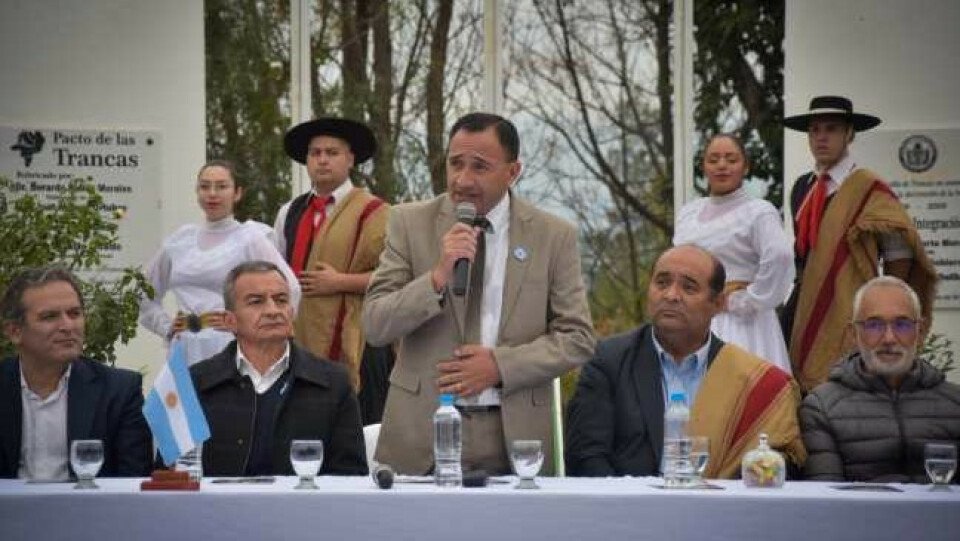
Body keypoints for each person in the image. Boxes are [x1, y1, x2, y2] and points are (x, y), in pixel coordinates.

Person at [362, 112, 595, 475]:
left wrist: (500, 366)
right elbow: (375, 325)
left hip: (514, 437)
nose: (463, 180)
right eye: (455, 164)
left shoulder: (553, 235)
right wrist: (437, 277)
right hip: (421, 434)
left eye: (480, 167)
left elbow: (577, 338)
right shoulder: (409, 222)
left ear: (513, 172)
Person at [566, 245, 806, 478]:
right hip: (628, 502)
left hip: (722, 503)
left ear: (718, 304)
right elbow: (585, 457)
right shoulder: (609, 361)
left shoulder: (746, 378)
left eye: (689, 288)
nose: (671, 295)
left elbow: (773, 469)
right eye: (662, 283)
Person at [781, 96, 937, 391]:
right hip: (803, 303)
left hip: (851, 303)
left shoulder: (869, 188)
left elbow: (899, 253)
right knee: (798, 387)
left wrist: (882, 300)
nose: (821, 137)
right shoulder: (803, 187)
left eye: (831, 129)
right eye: (814, 130)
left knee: (852, 385)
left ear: (849, 134)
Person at [190, 261, 367, 476]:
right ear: (230, 321)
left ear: (292, 313)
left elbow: (350, 477)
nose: (273, 311)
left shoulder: (333, 383)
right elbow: (172, 475)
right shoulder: (196, 383)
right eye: (256, 302)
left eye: (281, 300)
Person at [274, 117, 390, 423]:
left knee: (357, 431)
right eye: (315, 153)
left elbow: (395, 279)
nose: (322, 160)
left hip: (359, 346)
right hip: (300, 343)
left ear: (350, 159)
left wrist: (340, 282)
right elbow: (275, 274)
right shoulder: (289, 212)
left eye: (332, 152)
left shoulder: (376, 212)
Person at [139, 160, 300, 366]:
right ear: (197, 192)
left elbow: (290, 288)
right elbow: (144, 293)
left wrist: (257, 329)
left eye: (222, 186)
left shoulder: (250, 238)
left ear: (237, 193)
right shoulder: (180, 241)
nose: (212, 194)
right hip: (183, 348)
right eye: (205, 186)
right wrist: (165, 327)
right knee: (184, 388)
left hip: (231, 346)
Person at [800, 276, 960, 483]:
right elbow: (825, 495)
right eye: (874, 325)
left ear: (920, 332)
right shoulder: (822, 407)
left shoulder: (954, 404)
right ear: (853, 334)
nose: (889, 338)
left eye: (902, 325)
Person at [0, 266, 152, 479]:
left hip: (92, 501)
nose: (67, 326)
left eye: (74, 314)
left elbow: (132, 482)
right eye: (49, 316)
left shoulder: (119, 391)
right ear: (15, 331)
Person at [674, 133, 794, 374]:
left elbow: (780, 257)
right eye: (713, 159)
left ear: (745, 167)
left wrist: (747, 300)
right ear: (704, 167)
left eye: (731, 159)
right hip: (695, 319)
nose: (722, 165)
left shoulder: (758, 211)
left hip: (743, 322)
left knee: (742, 383)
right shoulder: (688, 213)